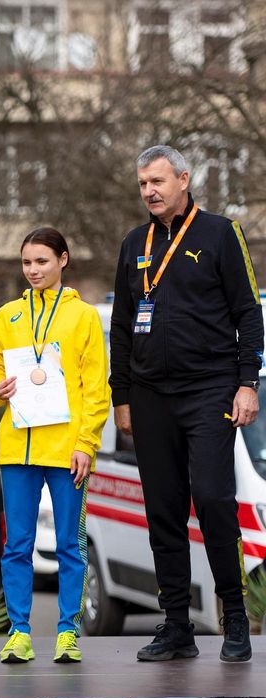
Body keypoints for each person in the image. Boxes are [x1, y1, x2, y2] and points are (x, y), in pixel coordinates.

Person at [110, 145, 264, 663]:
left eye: (156, 182)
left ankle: (235, 617)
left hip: (210, 390)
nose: (149, 192)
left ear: (183, 178)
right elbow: (122, 327)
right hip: (151, 396)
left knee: (215, 499)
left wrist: (247, 383)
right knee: (164, 511)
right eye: (142, 185)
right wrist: (122, 397)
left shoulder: (222, 233)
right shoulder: (135, 243)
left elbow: (249, 312)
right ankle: (176, 625)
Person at [0, 227, 110, 664]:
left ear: (63, 260)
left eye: (41, 261)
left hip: (66, 450)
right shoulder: (7, 316)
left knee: (71, 545)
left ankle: (68, 631)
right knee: (17, 544)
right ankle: (19, 631)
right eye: (26, 263)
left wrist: (86, 444)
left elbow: (96, 388)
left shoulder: (84, 317)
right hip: (17, 449)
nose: (32, 270)